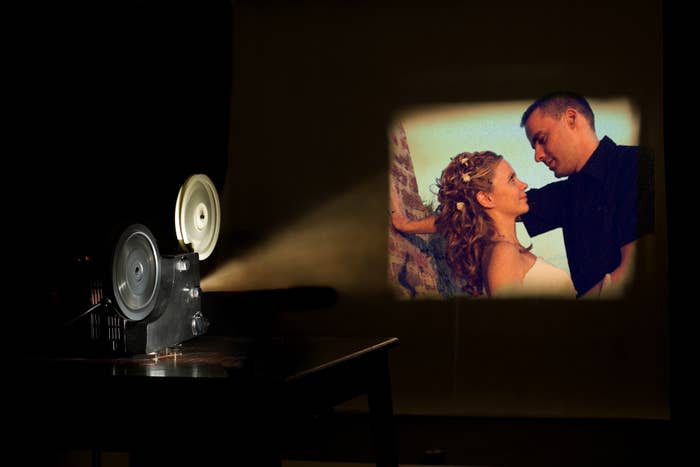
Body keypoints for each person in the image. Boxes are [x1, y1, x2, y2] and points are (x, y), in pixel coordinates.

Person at [391, 92, 654, 298]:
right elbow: (470, 211)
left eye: (542, 139)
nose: (538, 156)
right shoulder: (566, 194)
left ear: (571, 119)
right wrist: (407, 225)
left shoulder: (636, 166)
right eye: (533, 146)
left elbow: (633, 273)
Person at [391, 151, 576, 297]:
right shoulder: (503, 254)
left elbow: (453, 219)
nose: (524, 184)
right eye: (512, 179)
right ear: (486, 198)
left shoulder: (507, 250)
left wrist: (407, 224)